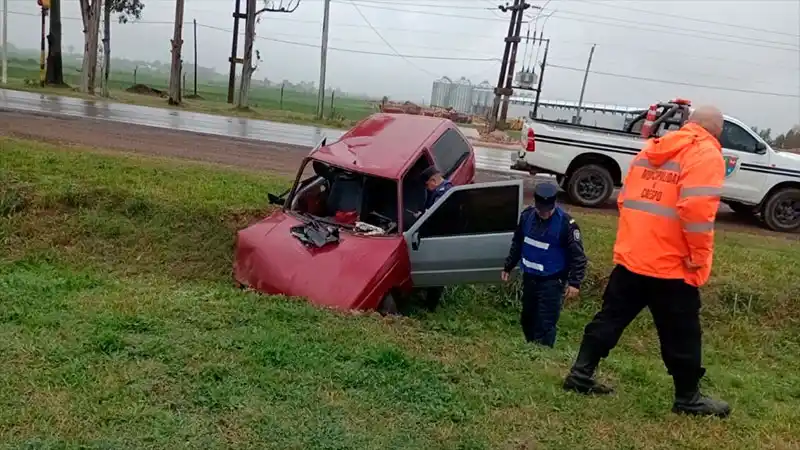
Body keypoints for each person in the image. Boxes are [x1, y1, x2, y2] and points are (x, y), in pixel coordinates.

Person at [562, 105, 731, 418]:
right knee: (682, 334)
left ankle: (580, 374)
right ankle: (688, 398)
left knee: (609, 318)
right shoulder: (706, 154)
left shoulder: (651, 150)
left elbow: (626, 200)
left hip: (633, 257)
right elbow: (695, 211)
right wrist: (698, 255)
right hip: (671, 266)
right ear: (716, 131)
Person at [501, 182, 587, 348]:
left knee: (545, 322)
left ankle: (542, 354)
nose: (544, 214)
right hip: (530, 278)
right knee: (528, 318)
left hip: (552, 281)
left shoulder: (566, 224)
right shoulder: (527, 217)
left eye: (548, 211)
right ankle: (530, 348)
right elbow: (518, 242)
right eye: (541, 210)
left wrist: (575, 282)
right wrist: (508, 265)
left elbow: (578, 256)